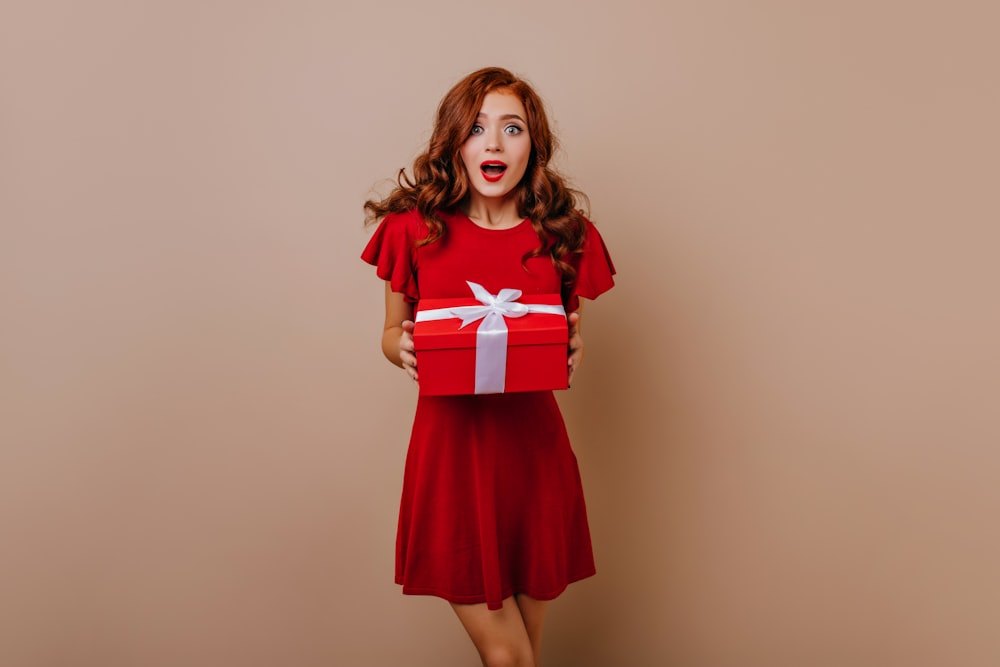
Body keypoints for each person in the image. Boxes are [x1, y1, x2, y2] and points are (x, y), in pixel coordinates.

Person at [361, 67, 615, 667]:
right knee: (509, 657)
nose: (494, 143)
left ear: (534, 146)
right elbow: (391, 331)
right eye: (477, 128)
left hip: (533, 456)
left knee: (526, 652)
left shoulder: (563, 236)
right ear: (455, 143)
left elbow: (567, 334)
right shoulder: (414, 231)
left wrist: (575, 347)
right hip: (452, 455)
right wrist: (400, 347)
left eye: (512, 128)